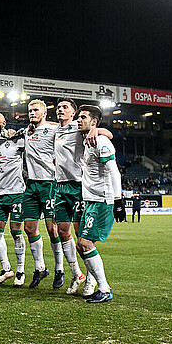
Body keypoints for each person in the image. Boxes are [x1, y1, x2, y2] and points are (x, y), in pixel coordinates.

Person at [53, 98, 110, 295]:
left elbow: (108, 133)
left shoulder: (78, 128)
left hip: (78, 186)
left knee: (82, 235)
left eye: (65, 107)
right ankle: (77, 274)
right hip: (59, 187)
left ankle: (92, 278)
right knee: (62, 232)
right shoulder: (55, 130)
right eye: (58, 107)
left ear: (74, 113)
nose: (60, 110)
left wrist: (97, 130)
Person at [76, 105, 121, 303]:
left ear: (93, 122)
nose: (79, 120)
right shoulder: (88, 140)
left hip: (102, 201)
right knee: (81, 245)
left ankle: (104, 288)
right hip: (90, 201)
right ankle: (98, 284)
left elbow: (114, 171)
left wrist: (118, 200)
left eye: (83, 117)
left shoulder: (100, 141)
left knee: (85, 244)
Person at [20, 99, 63, 288]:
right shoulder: (26, 132)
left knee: (52, 228)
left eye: (36, 110)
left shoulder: (54, 129)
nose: (32, 113)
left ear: (44, 113)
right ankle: (40, 268)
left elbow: (69, 128)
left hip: (49, 183)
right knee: (29, 228)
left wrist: (97, 130)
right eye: (30, 110)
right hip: (31, 185)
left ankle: (59, 269)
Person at [0, 113, 26, 286]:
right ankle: (6, 269)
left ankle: (21, 271)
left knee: (16, 232)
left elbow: (31, 137)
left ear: (3, 123)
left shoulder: (17, 140)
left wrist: (17, 132)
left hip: (17, 192)